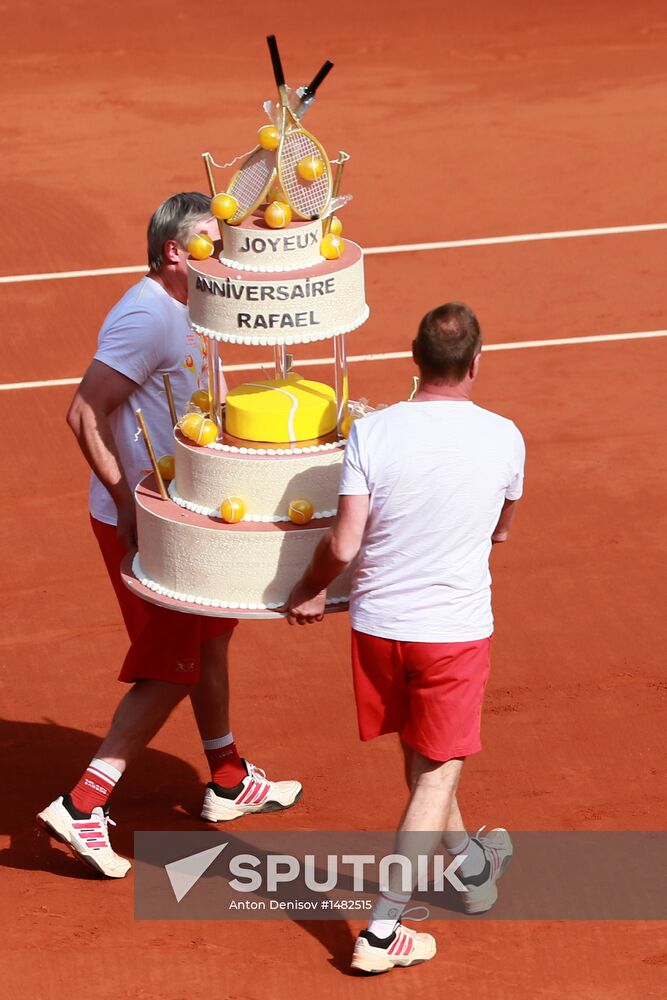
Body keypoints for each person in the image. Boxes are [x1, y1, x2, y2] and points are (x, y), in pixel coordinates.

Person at [38, 193, 301, 879]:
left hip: (182, 508)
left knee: (211, 636)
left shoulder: (197, 304)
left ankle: (224, 777)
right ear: (175, 253)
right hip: (145, 519)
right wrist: (127, 505)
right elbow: (83, 411)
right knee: (171, 663)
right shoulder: (147, 315)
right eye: (212, 240)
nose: (226, 248)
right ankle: (84, 801)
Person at [286, 302, 525, 974]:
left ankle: (472, 868)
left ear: (412, 357)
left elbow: (343, 542)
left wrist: (307, 589)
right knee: (434, 775)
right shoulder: (505, 436)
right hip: (450, 635)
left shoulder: (373, 433)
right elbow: (500, 529)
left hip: (378, 634)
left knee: (425, 763)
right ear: (475, 364)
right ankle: (382, 933)